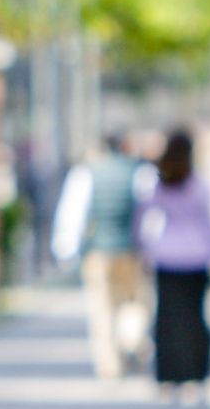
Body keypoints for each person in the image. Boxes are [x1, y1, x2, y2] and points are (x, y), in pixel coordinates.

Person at [137, 130, 210, 400]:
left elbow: (142, 217)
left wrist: (143, 248)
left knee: (168, 318)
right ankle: (194, 373)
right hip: (196, 256)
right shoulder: (198, 185)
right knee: (194, 317)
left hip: (167, 256)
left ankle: (168, 373)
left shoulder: (159, 183)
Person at [55, 134, 146, 378]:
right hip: (131, 250)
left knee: (102, 309)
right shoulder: (138, 171)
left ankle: (109, 364)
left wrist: (66, 251)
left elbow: (73, 214)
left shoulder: (87, 173)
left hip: (98, 250)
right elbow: (148, 214)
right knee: (133, 303)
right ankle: (130, 341)